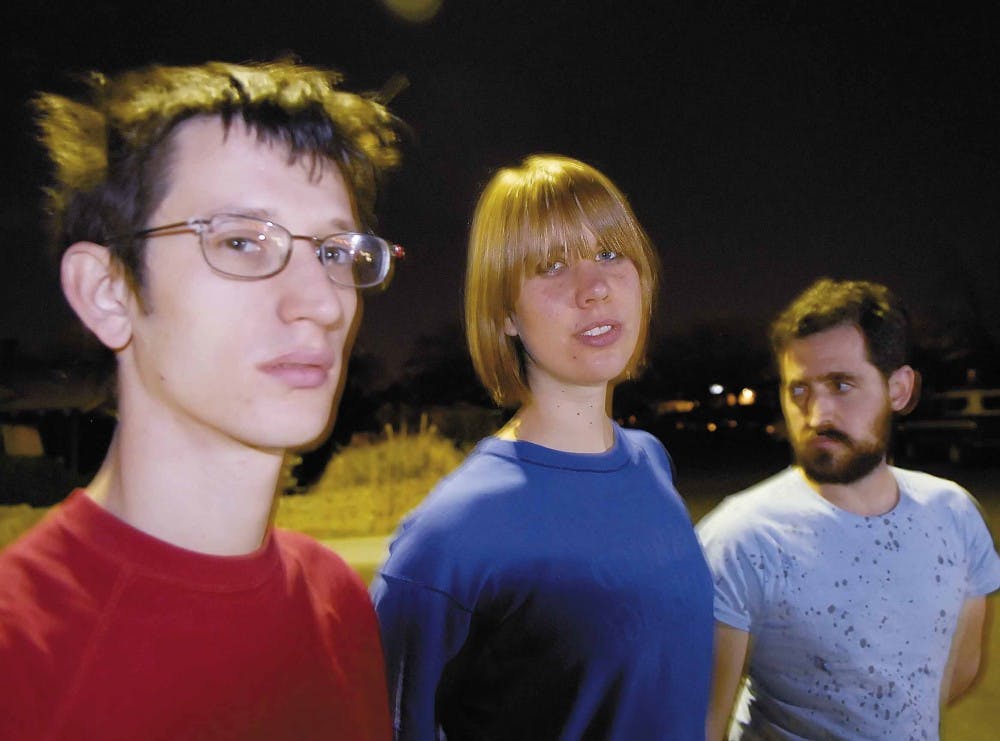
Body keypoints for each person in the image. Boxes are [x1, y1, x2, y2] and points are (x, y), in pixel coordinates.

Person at [0, 59, 405, 740]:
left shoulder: (337, 604)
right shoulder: (21, 655)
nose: (322, 304)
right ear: (109, 292)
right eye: (241, 241)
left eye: (335, 252)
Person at [371, 154, 714, 740]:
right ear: (505, 313)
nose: (595, 288)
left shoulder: (650, 461)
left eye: (609, 253)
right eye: (551, 266)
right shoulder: (454, 534)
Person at [697, 278, 1000, 740]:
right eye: (799, 391)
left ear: (899, 388)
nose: (817, 415)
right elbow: (699, 724)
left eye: (842, 385)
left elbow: (957, 673)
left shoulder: (955, 515)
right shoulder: (741, 538)